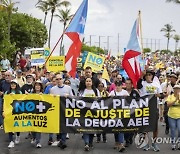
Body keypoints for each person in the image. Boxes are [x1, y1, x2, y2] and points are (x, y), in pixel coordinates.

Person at [137, 69, 164, 152]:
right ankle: (145, 143)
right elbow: (138, 86)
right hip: (145, 109)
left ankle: (154, 143)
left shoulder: (156, 84)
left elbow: (162, 95)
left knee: (155, 127)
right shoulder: (143, 83)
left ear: (152, 76)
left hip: (154, 108)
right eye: (147, 75)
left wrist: (159, 95)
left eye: (150, 74)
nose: (148, 76)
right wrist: (141, 75)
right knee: (145, 127)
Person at [50, 73, 73, 149]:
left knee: (64, 125)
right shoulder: (53, 89)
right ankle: (59, 138)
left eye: (60, 79)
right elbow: (50, 100)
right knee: (58, 126)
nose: (59, 80)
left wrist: (68, 96)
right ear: (55, 81)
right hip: (56, 110)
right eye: (57, 79)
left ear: (63, 79)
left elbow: (72, 98)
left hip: (65, 110)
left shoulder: (68, 88)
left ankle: (63, 141)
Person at [79, 77, 100, 151]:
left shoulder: (96, 91)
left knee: (92, 128)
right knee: (85, 128)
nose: (88, 82)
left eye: (89, 81)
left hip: (93, 113)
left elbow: (100, 100)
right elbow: (78, 100)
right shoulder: (82, 91)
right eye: (87, 81)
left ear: (92, 82)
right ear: (85, 83)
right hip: (84, 113)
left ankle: (90, 142)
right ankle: (86, 143)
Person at [109, 80, 129, 152]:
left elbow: (129, 101)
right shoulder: (112, 92)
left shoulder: (125, 92)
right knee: (116, 129)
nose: (118, 86)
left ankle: (121, 144)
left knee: (121, 128)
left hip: (123, 113)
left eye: (119, 85)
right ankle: (117, 142)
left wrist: (126, 97)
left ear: (121, 86)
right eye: (116, 85)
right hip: (114, 113)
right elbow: (107, 101)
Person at [4, 80, 21, 148]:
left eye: (14, 84)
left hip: (17, 111)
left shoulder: (19, 92)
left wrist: (15, 96)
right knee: (10, 125)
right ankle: (11, 141)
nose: (13, 85)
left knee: (17, 125)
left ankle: (18, 135)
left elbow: (22, 100)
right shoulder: (7, 92)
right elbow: (4, 101)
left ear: (16, 85)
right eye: (12, 84)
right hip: (9, 112)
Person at [124, 78, 140, 147]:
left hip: (133, 112)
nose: (128, 85)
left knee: (131, 127)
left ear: (132, 84)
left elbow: (139, 101)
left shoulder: (135, 92)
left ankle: (130, 137)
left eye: (129, 83)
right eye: (126, 83)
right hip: (124, 112)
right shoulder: (123, 92)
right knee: (125, 127)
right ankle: (127, 140)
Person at [31, 80, 44, 148]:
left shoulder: (43, 94)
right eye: (36, 85)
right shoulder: (31, 93)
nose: (37, 87)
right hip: (32, 113)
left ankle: (38, 142)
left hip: (40, 113)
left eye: (39, 85)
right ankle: (34, 137)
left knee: (38, 127)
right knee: (32, 128)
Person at [166, 84, 180, 150]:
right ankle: (173, 143)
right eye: (175, 88)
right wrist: (175, 100)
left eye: (178, 89)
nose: (176, 90)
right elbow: (168, 104)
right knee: (173, 130)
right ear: (173, 89)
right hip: (171, 115)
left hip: (179, 116)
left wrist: (178, 98)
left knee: (179, 130)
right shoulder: (170, 96)